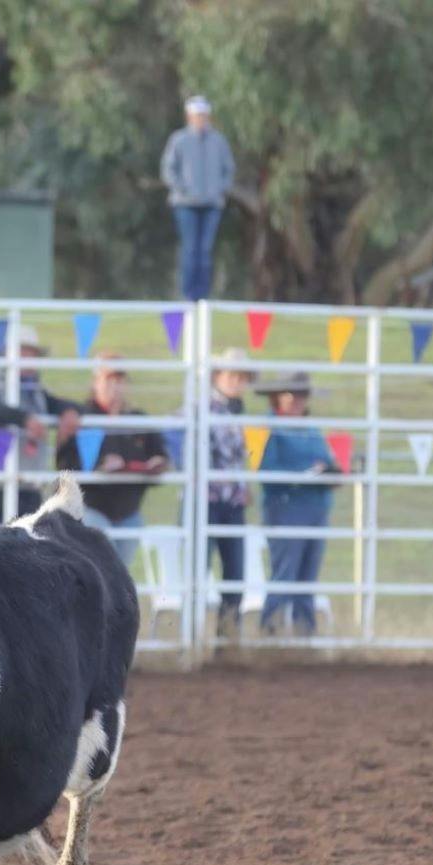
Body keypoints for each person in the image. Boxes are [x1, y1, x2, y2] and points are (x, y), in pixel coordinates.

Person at [55, 353, 168, 568]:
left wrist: (156, 465)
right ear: (95, 382)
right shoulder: (82, 418)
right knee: (106, 568)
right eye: (108, 380)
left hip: (129, 510)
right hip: (92, 507)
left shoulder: (139, 420)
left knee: (118, 572)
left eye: (119, 380)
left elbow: (159, 456)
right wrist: (98, 469)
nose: (114, 387)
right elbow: (64, 468)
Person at [0, 326, 82, 527]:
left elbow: (60, 404)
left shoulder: (36, 392)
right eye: (22, 352)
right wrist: (25, 419)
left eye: (32, 353)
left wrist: (69, 412)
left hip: (28, 489)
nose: (28, 358)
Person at [254, 372, 338, 636]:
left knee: (306, 577)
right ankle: (271, 632)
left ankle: (304, 637)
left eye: (301, 395)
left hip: (314, 507)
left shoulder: (310, 429)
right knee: (286, 573)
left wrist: (330, 473)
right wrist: (306, 472)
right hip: (286, 506)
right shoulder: (269, 428)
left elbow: (327, 462)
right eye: (292, 394)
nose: (297, 400)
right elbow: (266, 469)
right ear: (277, 397)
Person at [160, 95, 235, 301]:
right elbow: (168, 169)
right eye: (197, 116)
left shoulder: (218, 141)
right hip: (185, 204)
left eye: (203, 116)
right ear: (189, 117)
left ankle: (203, 294)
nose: (200, 120)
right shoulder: (179, 140)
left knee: (205, 250)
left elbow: (228, 169)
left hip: (212, 204)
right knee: (190, 249)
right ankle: (188, 293)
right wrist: (182, 189)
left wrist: (220, 189)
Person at [205, 348, 257, 636]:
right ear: (218, 376)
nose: (237, 381)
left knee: (235, 574)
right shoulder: (203, 408)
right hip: (208, 501)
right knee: (199, 570)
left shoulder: (237, 412)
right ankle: (198, 634)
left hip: (232, 503)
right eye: (231, 375)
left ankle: (228, 637)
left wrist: (242, 485)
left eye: (241, 376)